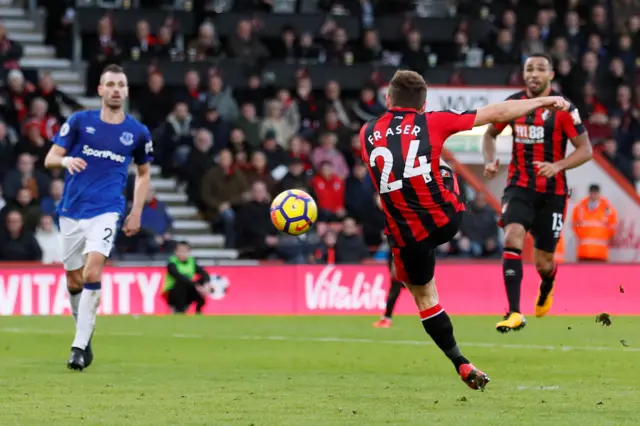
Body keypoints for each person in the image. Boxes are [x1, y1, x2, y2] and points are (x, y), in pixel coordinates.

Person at [361, 69, 572, 390]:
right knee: (444, 167)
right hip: (446, 219)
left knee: (425, 299)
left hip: (405, 236)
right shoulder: (432, 121)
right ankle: (466, 366)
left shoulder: (365, 132)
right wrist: (544, 101)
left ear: (388, 99)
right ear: (423, 104)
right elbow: (498, 112)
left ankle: (459, 361)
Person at [44, 64, 154, 371]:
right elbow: (49, 158)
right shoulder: (80, 121)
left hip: (107, 209)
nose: (116, 89)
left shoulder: (136, 132)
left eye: (121, 84)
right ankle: (85, 333)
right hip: (71, 210)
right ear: (100, 90)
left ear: (127, 91)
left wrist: (136, 210)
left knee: (93, 273)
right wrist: (67, 160)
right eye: (111, 84)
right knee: (73, 278)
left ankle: (78, 347)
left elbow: (144, 174)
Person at [482, 54, 592, 333]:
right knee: (512, 235)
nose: (533, 74)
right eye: (529, 69)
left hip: (552, 193)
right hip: (519, 186)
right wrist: (489, 160)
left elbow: (585, 150)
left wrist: (558, 166)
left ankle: (547, 285)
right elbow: (489, 135)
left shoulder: (563, 109)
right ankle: (514, 312)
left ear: (551, 75)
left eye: (540, 69)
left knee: (544, 263)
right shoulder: (512, 105)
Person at [373, 160, 461, 328]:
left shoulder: (422, 188)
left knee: (407, 280)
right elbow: (380, 199)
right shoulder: (399, 183)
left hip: (415, 238)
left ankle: (426, 312)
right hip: (398, 239)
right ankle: (387, 317)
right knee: (396, 282)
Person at [162, 241, 211, 314]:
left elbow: (204, 273)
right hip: (172, 292)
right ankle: (177, 308)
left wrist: (206, 284)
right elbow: (178, 276)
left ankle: (198, 310)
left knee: (202, 282)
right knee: (182, 283)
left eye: (185, 251)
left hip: (188, 290)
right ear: (175, 252)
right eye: (180, 251)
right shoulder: (172, 262)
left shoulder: (191, 261)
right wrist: (196, 286)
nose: (183, 254)